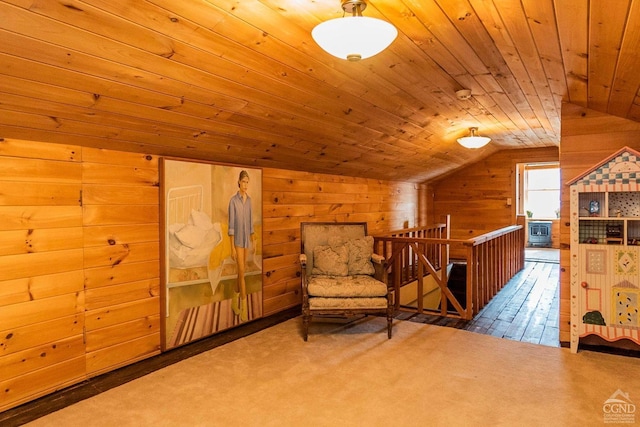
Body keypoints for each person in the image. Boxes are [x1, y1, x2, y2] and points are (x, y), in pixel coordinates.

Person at [228, 170, 255, 322]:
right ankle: (244, 309)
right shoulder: (233, 201)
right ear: (239, 182)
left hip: (246, 241)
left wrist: (253, 240)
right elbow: (231, 227)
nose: (245, 185)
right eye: (243, 182)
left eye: (247, 182)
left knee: (240, 273)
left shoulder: (249, 201)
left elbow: (250, 223)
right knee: (242, 273)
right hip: (237, 241)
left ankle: (233, 301)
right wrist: (232, 247)